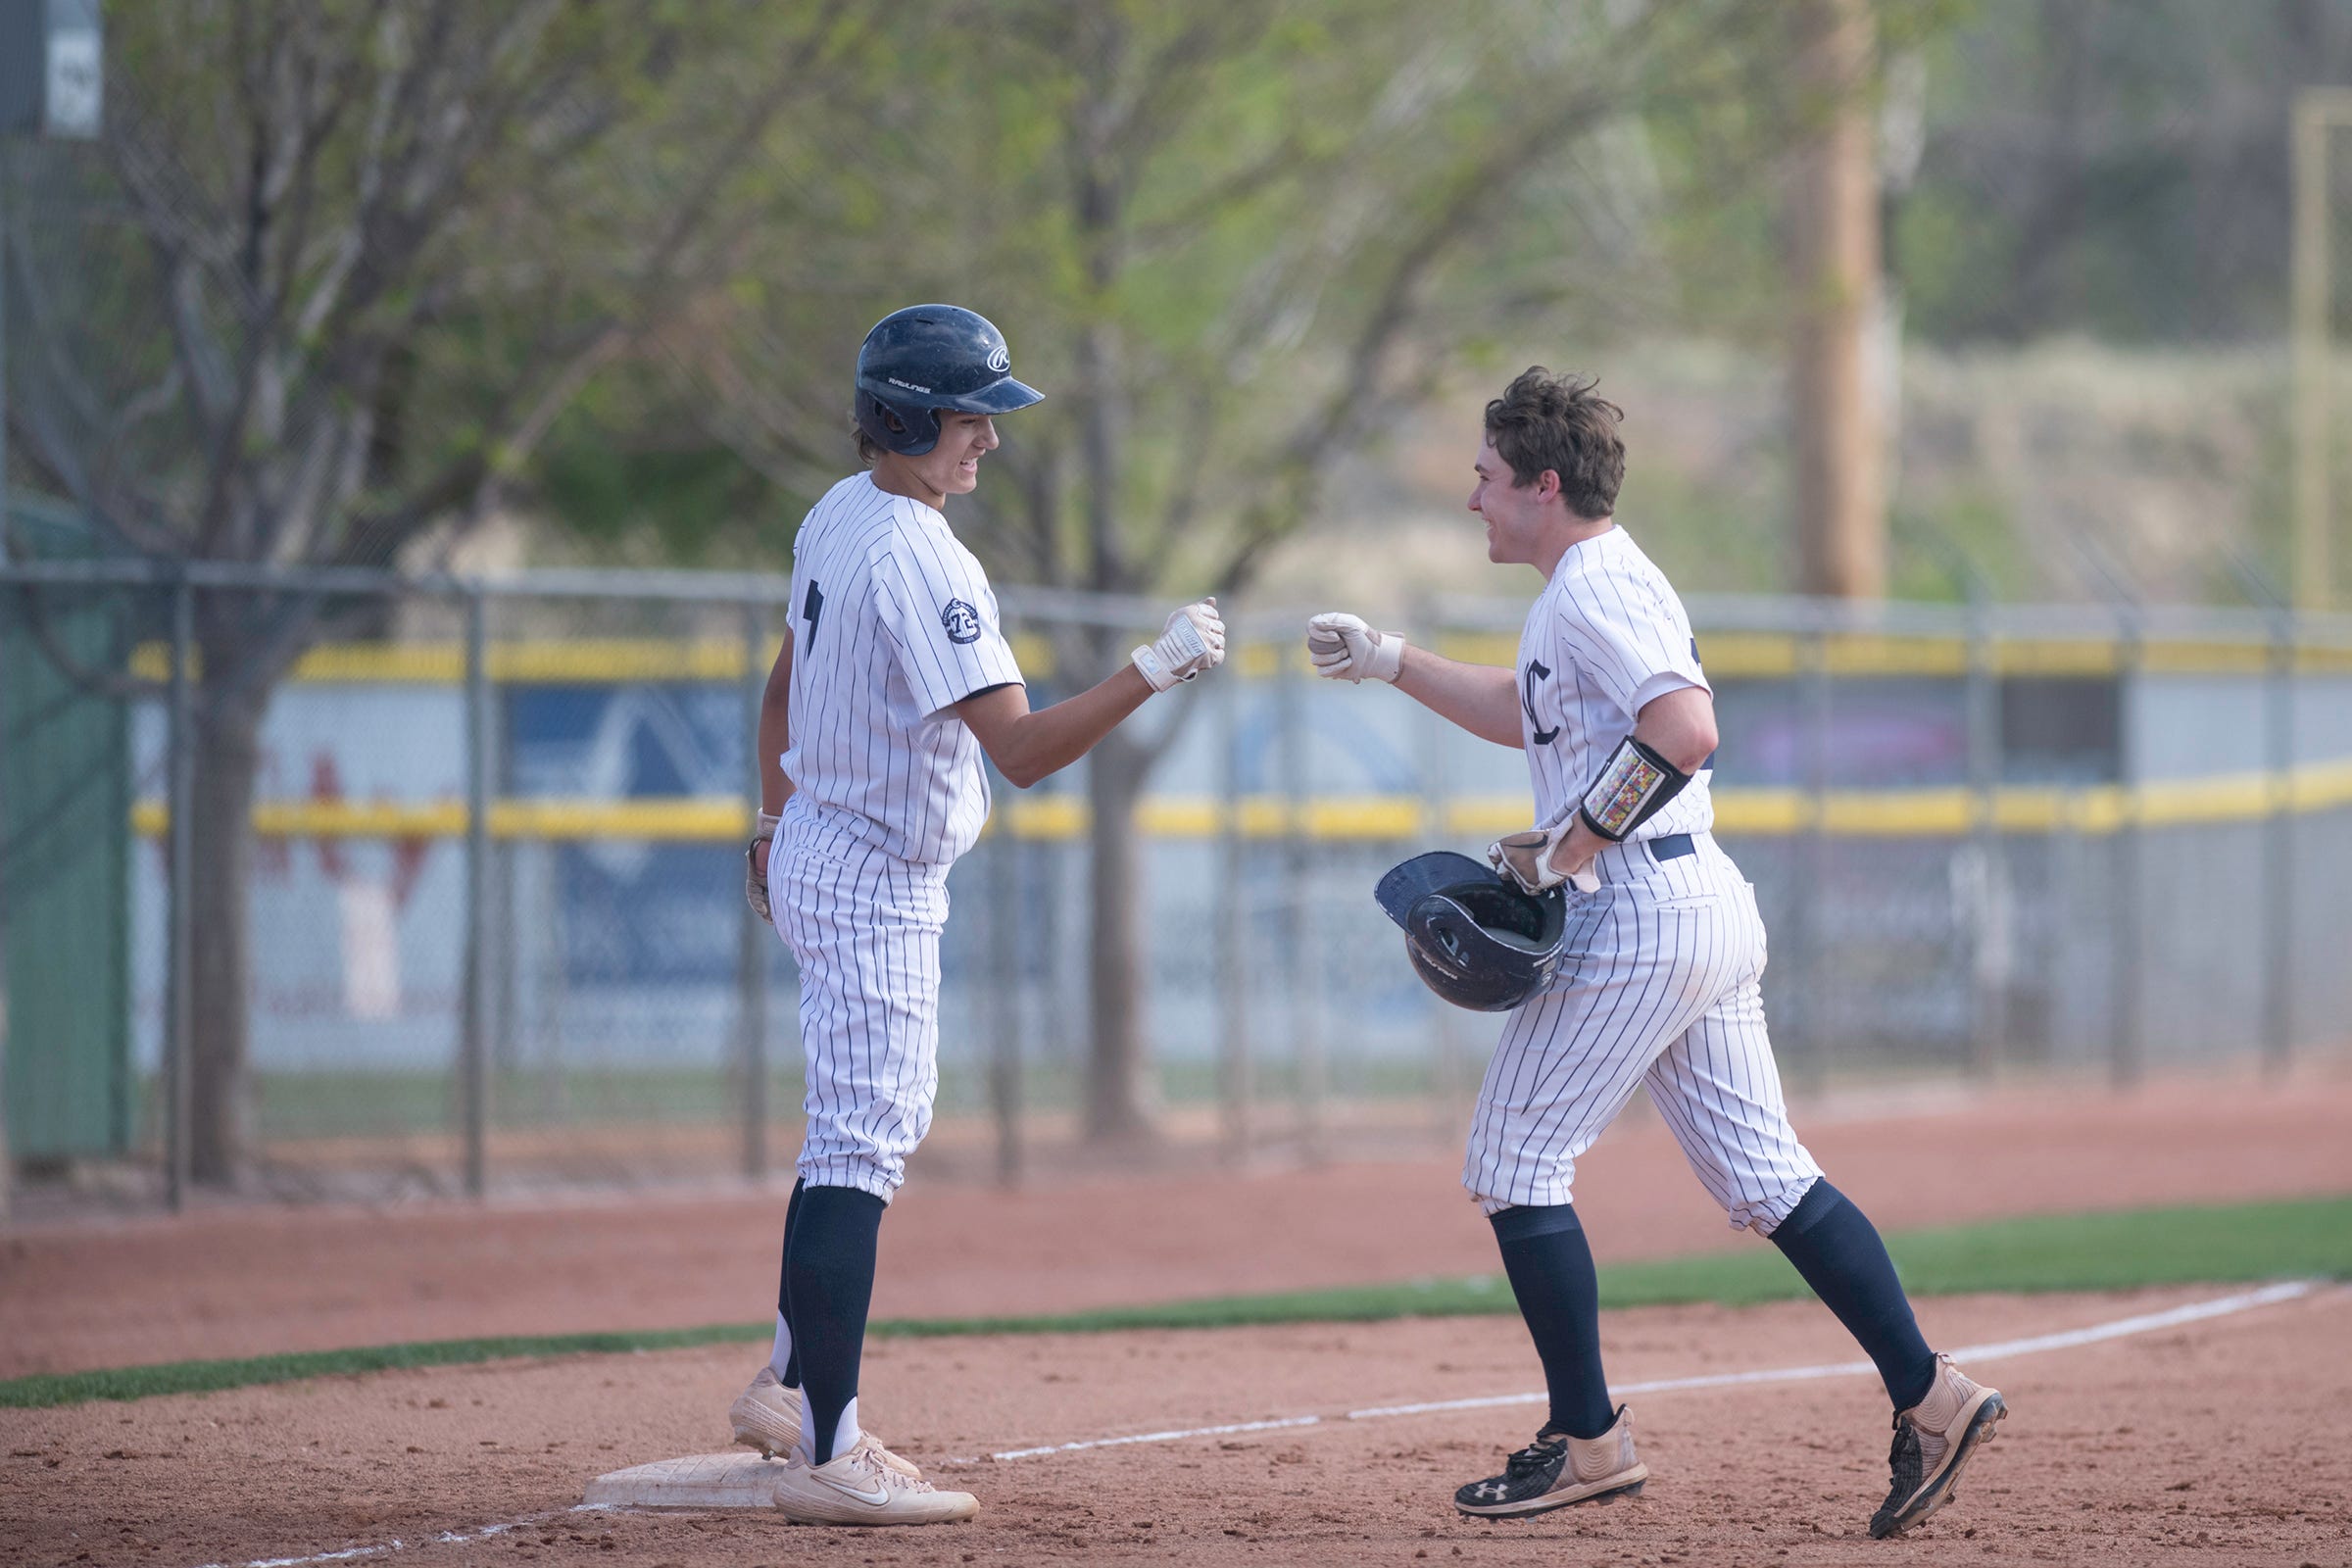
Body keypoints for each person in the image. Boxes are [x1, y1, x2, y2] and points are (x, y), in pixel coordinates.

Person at [1303, 368, 2004, 1539]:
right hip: (1688, 899)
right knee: (1765, 1177)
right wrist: (1390, 659)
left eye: (1486, 477)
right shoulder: (1585, 586)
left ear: (1544, 484)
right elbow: (1532, 713)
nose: (1473, 498)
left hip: (1639, 910)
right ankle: (1935, 1398)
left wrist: (1573, 842)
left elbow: (1684, 728)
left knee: (1513, 1158)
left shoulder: (1594, 587)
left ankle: (1588, 1442)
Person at [732, 304, 1226, 1527]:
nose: (989, 439)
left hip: (822, 839)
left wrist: (770, 816)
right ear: (905, 418)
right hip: (872, 872)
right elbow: (1021, 751)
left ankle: (787, 1387)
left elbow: (784, 681)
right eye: (968, 417)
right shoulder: (921, 555)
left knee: (846, 1136)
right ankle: (829, 1449)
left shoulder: (837, 511)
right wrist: (1154, 667)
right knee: (859, 1147)